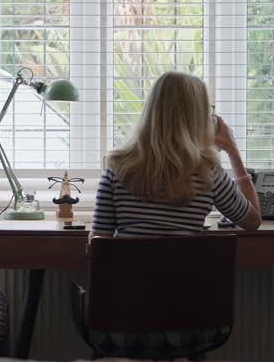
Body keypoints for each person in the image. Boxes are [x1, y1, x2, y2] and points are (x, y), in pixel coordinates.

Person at [91, 70, 262, 238]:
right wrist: (232, 150)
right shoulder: (208, 172)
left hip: (129, 267)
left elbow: (99, 242)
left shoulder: (117, 167)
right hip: (185, 267)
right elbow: (253, 222)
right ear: (198, 117)